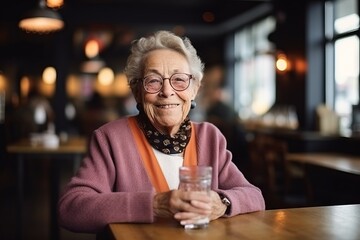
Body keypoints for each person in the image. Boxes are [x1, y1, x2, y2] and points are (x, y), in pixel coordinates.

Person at [57, 30, 265, 234]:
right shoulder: (111, 138)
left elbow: (254, 196)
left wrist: (221, 202)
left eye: (179, 80)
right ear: (137, 91)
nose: (167, 92)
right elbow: (71, 209)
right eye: (154, 81)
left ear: (194, 89)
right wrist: (154, 203)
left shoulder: (209, 137)